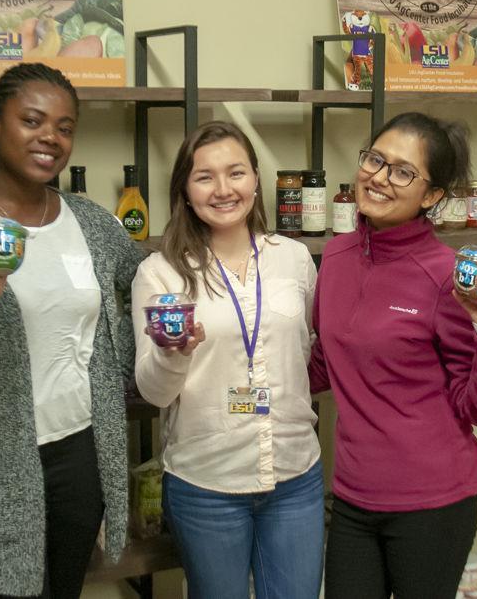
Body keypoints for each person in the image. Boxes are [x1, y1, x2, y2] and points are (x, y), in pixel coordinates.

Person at [0, 63, 143, 599]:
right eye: (32, 120)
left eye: (64, 127)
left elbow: (148, 284)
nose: (50, 139)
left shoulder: (92, 222)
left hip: (83, 454)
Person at [309, 112, 477, 599]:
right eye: (375, 159)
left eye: (402, 171)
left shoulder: (445, 275)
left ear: (432, 196)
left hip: (432, 503)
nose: (379, 177)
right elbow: (325, 364)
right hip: (353, 496)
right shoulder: (335, 258)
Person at [132, 121, 325, 599]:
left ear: (256, 179)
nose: (223, 189)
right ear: (184, 188)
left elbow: (304, 350)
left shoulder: (294, 258)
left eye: (236, 172)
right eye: (205, 177)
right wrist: (175, 355)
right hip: (206, 484)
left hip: (295, 476)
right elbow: (153, 392)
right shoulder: (160, 274)